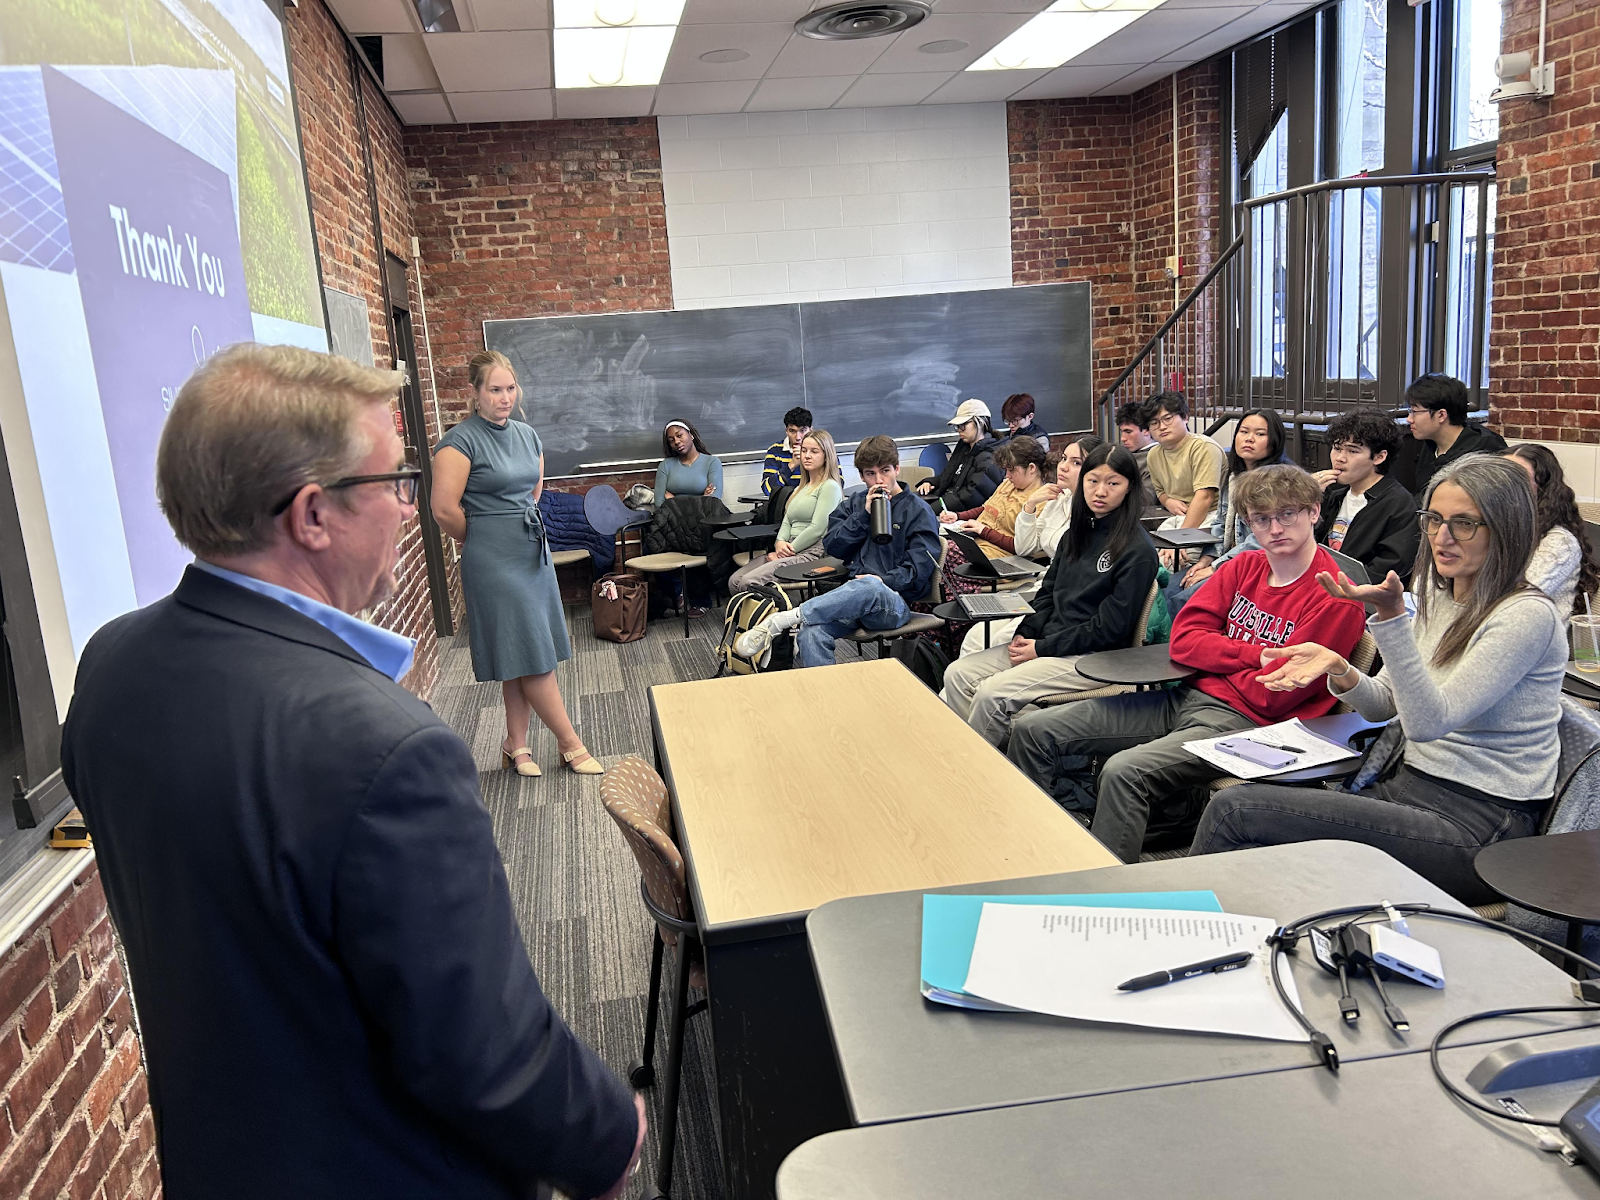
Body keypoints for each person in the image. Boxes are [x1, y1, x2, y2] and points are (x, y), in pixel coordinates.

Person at [60, 343, 644, 1200]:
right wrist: (610, 1132)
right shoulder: (385, 750)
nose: (410, 510)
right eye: (392, 483)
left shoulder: (109, 669)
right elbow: (485, 1053)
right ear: (312, 515)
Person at [1193, 456, 1567, 903]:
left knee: (1237, 810)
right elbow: (1387, 704)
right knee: (1260, 834)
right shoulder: (1441, 592)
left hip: (1479, 824)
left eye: (1464, 523)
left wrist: (1389, 620)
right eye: (1434, 520)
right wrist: (1341, 668)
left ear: (1506, 527)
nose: (1442, 538)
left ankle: (1189, 934)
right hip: (1407, 787)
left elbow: (1429, 722)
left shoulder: (1525, 615)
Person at [1007, 464, 1366, 863]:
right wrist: (1253, 656)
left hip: (1249, 725)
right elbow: (1183, 641)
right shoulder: (1245, 566)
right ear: (1249, 523)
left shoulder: (1335, 596)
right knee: (1032, 728)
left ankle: (1107, 889)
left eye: (1288, 514)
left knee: (1125, 772)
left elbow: (1273, 697)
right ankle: (1031, 852)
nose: (1275, 528)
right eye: (1262, 519)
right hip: (1186, 694)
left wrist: (1216, 657)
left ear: (1314, 512)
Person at [433, 352, 602, 777]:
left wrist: (513, 528)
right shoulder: (459, 442)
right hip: (491, 558)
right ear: (474, 393)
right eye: (495, 389)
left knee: (518, 650)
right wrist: (483, 538)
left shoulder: (527, 435)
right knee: (533, 654)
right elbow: (443, 510)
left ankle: (517, 745)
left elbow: (534, 489)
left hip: (530, 551)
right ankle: (571, 744)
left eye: (510, 389)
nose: (504, 398)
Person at [942, 444, 1158, 745]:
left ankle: (978, 768)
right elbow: (1048, 593)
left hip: (1094, 656)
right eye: (1093, 480)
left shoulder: (1137, 550)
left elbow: (1110, 629)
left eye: (1113, 483)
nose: (1100, 491)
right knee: (958, 674)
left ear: (1128, 488)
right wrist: (1026, 633)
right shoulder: (1076, 534)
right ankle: (984, 750)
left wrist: (1041, 648)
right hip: (1053, 641)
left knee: (992, 694)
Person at [736, 435, 940, 669]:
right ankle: (825, 698)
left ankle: (785, 619)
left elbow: (919, 570)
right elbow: (833, 547)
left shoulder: (918, 511)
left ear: (897, 468)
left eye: (885, 471)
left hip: (894, 602)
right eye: (870, 474)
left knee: (871, 586)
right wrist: (863, 517)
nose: (879, 480)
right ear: (862, 476)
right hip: (850, 600)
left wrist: (882, 580)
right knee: (811, 634)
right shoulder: (855, 503)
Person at [1164, 408, 1287, 614]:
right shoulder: (1233, 478)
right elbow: (1220, 525)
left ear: (1274, 441)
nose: (1249, 439)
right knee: (1170, 587)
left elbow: (1262, 541)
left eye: (1260, 434)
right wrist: (1205, 561)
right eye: (1244, 431)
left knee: (1185, 600)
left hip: (1258, 566)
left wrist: (1215, 568)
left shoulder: (1277, 482)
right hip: (1227, 559)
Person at [1312, 409, 1420, 583]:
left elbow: (1388, 570)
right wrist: (1305, 501)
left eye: (1352, 451)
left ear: (1379, 457)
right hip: (1319, 585)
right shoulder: (1333, 495)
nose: (1340, 458)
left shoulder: (1399, 504)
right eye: (1336, 448)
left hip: (1358, 597)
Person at [729, 429, 843, 592]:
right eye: (804, 451)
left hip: (810, 553)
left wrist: (789, 551)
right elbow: (788, 520)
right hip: (788, 547)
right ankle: (745, 617)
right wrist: (779, 543)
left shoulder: (829, 487)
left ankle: (767, 617)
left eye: (814, 451)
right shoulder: (800, 487)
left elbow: (818, 528)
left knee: (748, 582)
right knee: (734, 581)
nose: (807, 456)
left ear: (826, 455)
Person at [1507, 442, 1596, 616]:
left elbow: (1517, 601)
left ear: (1543, 488)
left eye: (1518, 478)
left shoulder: (1559, 542)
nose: (1507, 486)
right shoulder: (1496, 529)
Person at [939, 436, 1050, 557]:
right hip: (975, 543)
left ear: (1032, 468)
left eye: (1011, 470)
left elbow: (1022, 548)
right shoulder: (1009, 484)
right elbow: (986, 508)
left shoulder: (1041, 501)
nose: (1007, 475)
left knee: (941, 554)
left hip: (997, 556)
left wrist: (983, 531)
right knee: (932, 545)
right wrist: (958, 516)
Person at [1145, 391, 1226, 545]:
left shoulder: (1203, 447)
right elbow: (1160, 491)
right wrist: (1168, 501)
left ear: (1185, 417)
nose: (1161, 427)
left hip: (1211, 517)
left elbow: (1205, 498)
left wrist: (1180, 540)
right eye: (1154, 422)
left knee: (1176, 558)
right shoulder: (1153, 454)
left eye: (1167, 419)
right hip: (1176, 518)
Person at [1406, 373, 1506, 495]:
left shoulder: (1484, 449)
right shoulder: (1430, 443)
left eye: (1415, 411)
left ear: (1441, 415)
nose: (1409, 419)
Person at [1015, 436, 1101, 560]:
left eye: (1076, 462)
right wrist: (1030, 504)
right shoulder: (1059, 498)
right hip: (1050, 575)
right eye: (1064, 459)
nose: (1063, 467)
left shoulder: (1097, 510)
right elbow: (1024, 548)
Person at [917, 398, 1003, 514]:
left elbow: (971, 496)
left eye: (963, 425)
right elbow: (949, 475)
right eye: (957, 426)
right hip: (950, 508)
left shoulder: (990, 456)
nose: (959, 430)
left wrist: (932, 509)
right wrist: (931, 482)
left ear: (980, 423)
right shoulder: (964, 447)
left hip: (964, 515)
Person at [654, 418, 723, 503]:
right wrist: (702, 498)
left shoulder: (712, 462)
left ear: (691, 435)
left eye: (679, 435)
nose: (676, 442)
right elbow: (659, 503)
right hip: (672, 516)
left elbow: (714, 501)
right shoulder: (665, 466)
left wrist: (675, 501)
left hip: (706, 516)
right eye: (671, 440)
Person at [1116, 399, 1158, 507]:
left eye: (1128, 432)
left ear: (1146, 430)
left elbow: (1147, 499)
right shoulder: (1122, 453)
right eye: (1122, 432)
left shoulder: (1154, 458)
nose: (1123, 438)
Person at [762, 405, 812, 496]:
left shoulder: (822, 449)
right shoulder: (775, 451)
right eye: (792, 431)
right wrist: (791, 465)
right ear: (786, 431)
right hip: (785, 505)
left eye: (803, 431)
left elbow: (837, 483)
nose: (798, 437)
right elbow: (767, 489)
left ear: (811, 430)